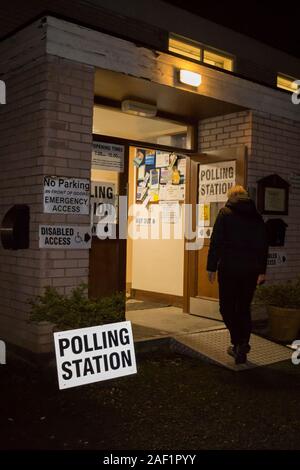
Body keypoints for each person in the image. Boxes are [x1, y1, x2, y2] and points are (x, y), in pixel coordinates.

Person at [206, 185, 268, 364]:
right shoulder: (256, 217)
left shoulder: (225, 213)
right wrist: (262, 271)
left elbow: (216, 242)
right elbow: (263, 245)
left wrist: (211, 267)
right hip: (250, 270)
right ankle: (243, 343)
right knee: (243, 307)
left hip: (229, 269)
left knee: (226, 308)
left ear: (231, 197)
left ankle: (238, 343)